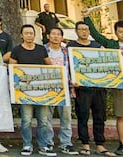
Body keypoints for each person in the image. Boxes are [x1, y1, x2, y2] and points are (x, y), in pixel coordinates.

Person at [83, 12, 123, 156]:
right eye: (120, 31)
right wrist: (87, 18)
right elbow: (97, 36)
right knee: (122, 116)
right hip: (120, 86)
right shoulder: (112, 45)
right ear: (116, 33)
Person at [10, 24, 55, 157]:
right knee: (27, 120)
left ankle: (43, 145)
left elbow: (50, 66)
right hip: (25, 92)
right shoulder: (17, 50)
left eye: (31, 33)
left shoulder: (41, 49)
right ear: (22, 35)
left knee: (43, 120)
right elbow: (13, 69)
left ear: (34, 35)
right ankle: (27, 144)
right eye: (26, 33)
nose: (29, 36)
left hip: (42, 91)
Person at [71, 20, 111, 156]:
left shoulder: (97, 45)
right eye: (81, 29)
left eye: (86, 29)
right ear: (76, 31)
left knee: (100, 116)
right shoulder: (71, 46)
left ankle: (100, 144)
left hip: (99, 86)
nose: (84, 32)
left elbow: (108, 61)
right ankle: (85, 144)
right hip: (82, 88)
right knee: (83, 116)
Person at [46, 27, 78, 155]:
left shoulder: (67, 51)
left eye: (58, 34)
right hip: (47, 88)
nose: (55, 36)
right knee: (46, 118)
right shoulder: (43, 50)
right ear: (48, 36)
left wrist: (74, 81)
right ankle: (48, 143)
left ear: (62, 37)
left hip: (65, 89)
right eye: (53, 34)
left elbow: (74, 67)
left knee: (66, 118)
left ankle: (66, 143)